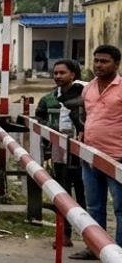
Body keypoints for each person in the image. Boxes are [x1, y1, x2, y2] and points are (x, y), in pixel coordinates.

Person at [71, 45, 122, 261]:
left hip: (117, 157)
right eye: (96, 61)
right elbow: (88, 115)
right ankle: (95, 248)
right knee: (94, 205)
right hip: (90, 156)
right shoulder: (89, 88)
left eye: (104, 61)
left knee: (120, 208)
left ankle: (118, 254)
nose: (99, 65)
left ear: (116, 64)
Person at [33, 58, 85, 249]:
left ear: (73, 74)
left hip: (84, 151)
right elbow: (39, 120)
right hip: (59, 151)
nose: (58, 76)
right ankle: (64, 234)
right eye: (55, 73)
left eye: (62, 73)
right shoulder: (48, 98)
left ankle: (92, 239)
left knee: (84, 193)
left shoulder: (86, 94)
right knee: (62, 193)